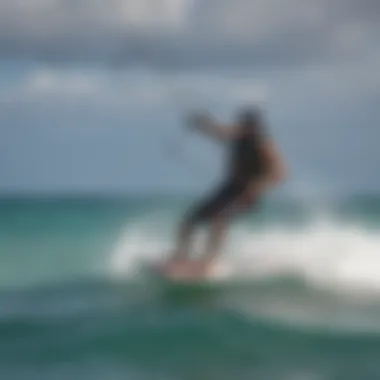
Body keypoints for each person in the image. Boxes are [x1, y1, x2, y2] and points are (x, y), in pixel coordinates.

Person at [163, 106, 287, 277]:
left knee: (219, 219)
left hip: (248, 195)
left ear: (256, 127)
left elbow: (280, 173)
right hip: (228, 189)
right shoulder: (236, 137)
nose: (244, 129)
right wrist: (200, 123)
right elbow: (217, 131)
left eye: (248, 126)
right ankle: (180, 257)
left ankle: (209, 261)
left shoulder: (264, 146)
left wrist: (259, 186)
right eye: (242, 125)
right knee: (189, 221)